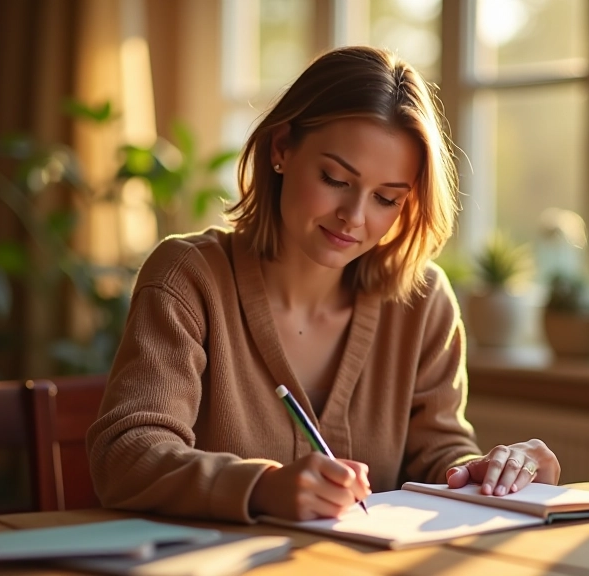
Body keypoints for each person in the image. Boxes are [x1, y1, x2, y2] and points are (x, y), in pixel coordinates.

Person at [86, 45, 560, 524]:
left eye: (385, 198)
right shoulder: (188, 276)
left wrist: (487, 474)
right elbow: (126, 455)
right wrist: (263, 488)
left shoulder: (422, 300)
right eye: (335, 178)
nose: (354, 218)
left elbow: (437, 453)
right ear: (281, 149)